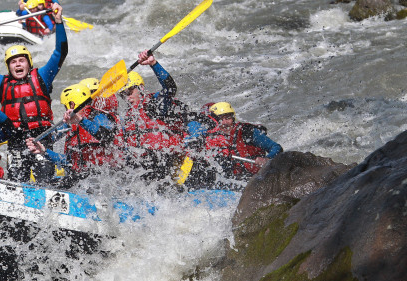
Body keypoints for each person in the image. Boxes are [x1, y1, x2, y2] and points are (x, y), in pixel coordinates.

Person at [0, 4, 66, 183]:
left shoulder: (42, 76)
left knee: (45, 182)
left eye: (21, 60)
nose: (18, 65)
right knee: (16, 185)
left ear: (29, 64)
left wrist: (58, 23)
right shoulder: (0, 83)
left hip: (42, 138)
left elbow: (60, 52)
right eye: (13, 62)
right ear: (8, 66)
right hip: (15, 140)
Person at [25, 83, 122, 188]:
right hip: (82, 179)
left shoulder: (97, 116)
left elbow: (108, 137)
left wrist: (81, 120)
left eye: (65, 106)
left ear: (71, 105)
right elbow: (70, 162)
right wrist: (44, 151)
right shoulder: (73, 127)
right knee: (44, 185)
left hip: (103, 180)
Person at [119, 50, 188, 183]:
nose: (128, 98)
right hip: (140, 165)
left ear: (141, 89)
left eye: (130, 92)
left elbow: (170, 88)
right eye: (123, 95)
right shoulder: (128, 116)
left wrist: (153, 63)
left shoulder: (154, 103)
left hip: (165, 162)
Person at [184, 102, 283, 188]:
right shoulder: (211, 136)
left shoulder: (247, 132)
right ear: (214, 121)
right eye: (221, 119)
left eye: (228, 118)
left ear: (233, 118)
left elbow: (276, 147)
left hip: (254, 176)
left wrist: (267, 159)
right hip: (233, 179)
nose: (225, 123)